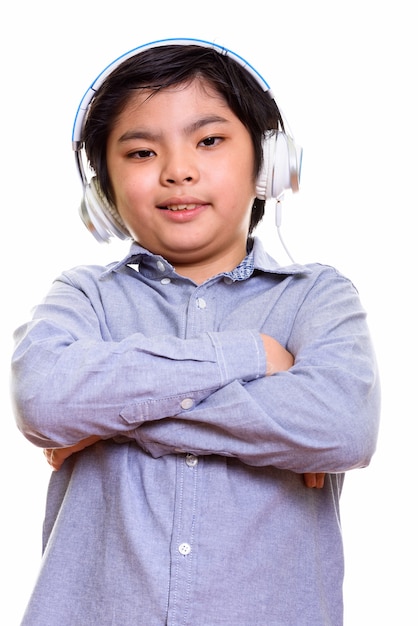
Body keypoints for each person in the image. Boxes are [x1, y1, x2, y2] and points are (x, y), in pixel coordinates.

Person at [11, 38, 380, 625]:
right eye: (139, 152)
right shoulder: (83, 296)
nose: (177, 170)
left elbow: (339, 425)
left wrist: (112, 416)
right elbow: (46, 400)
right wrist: (250, 355)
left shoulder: (318, 296)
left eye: (209, 141)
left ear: (270, 162)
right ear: (101, 187)